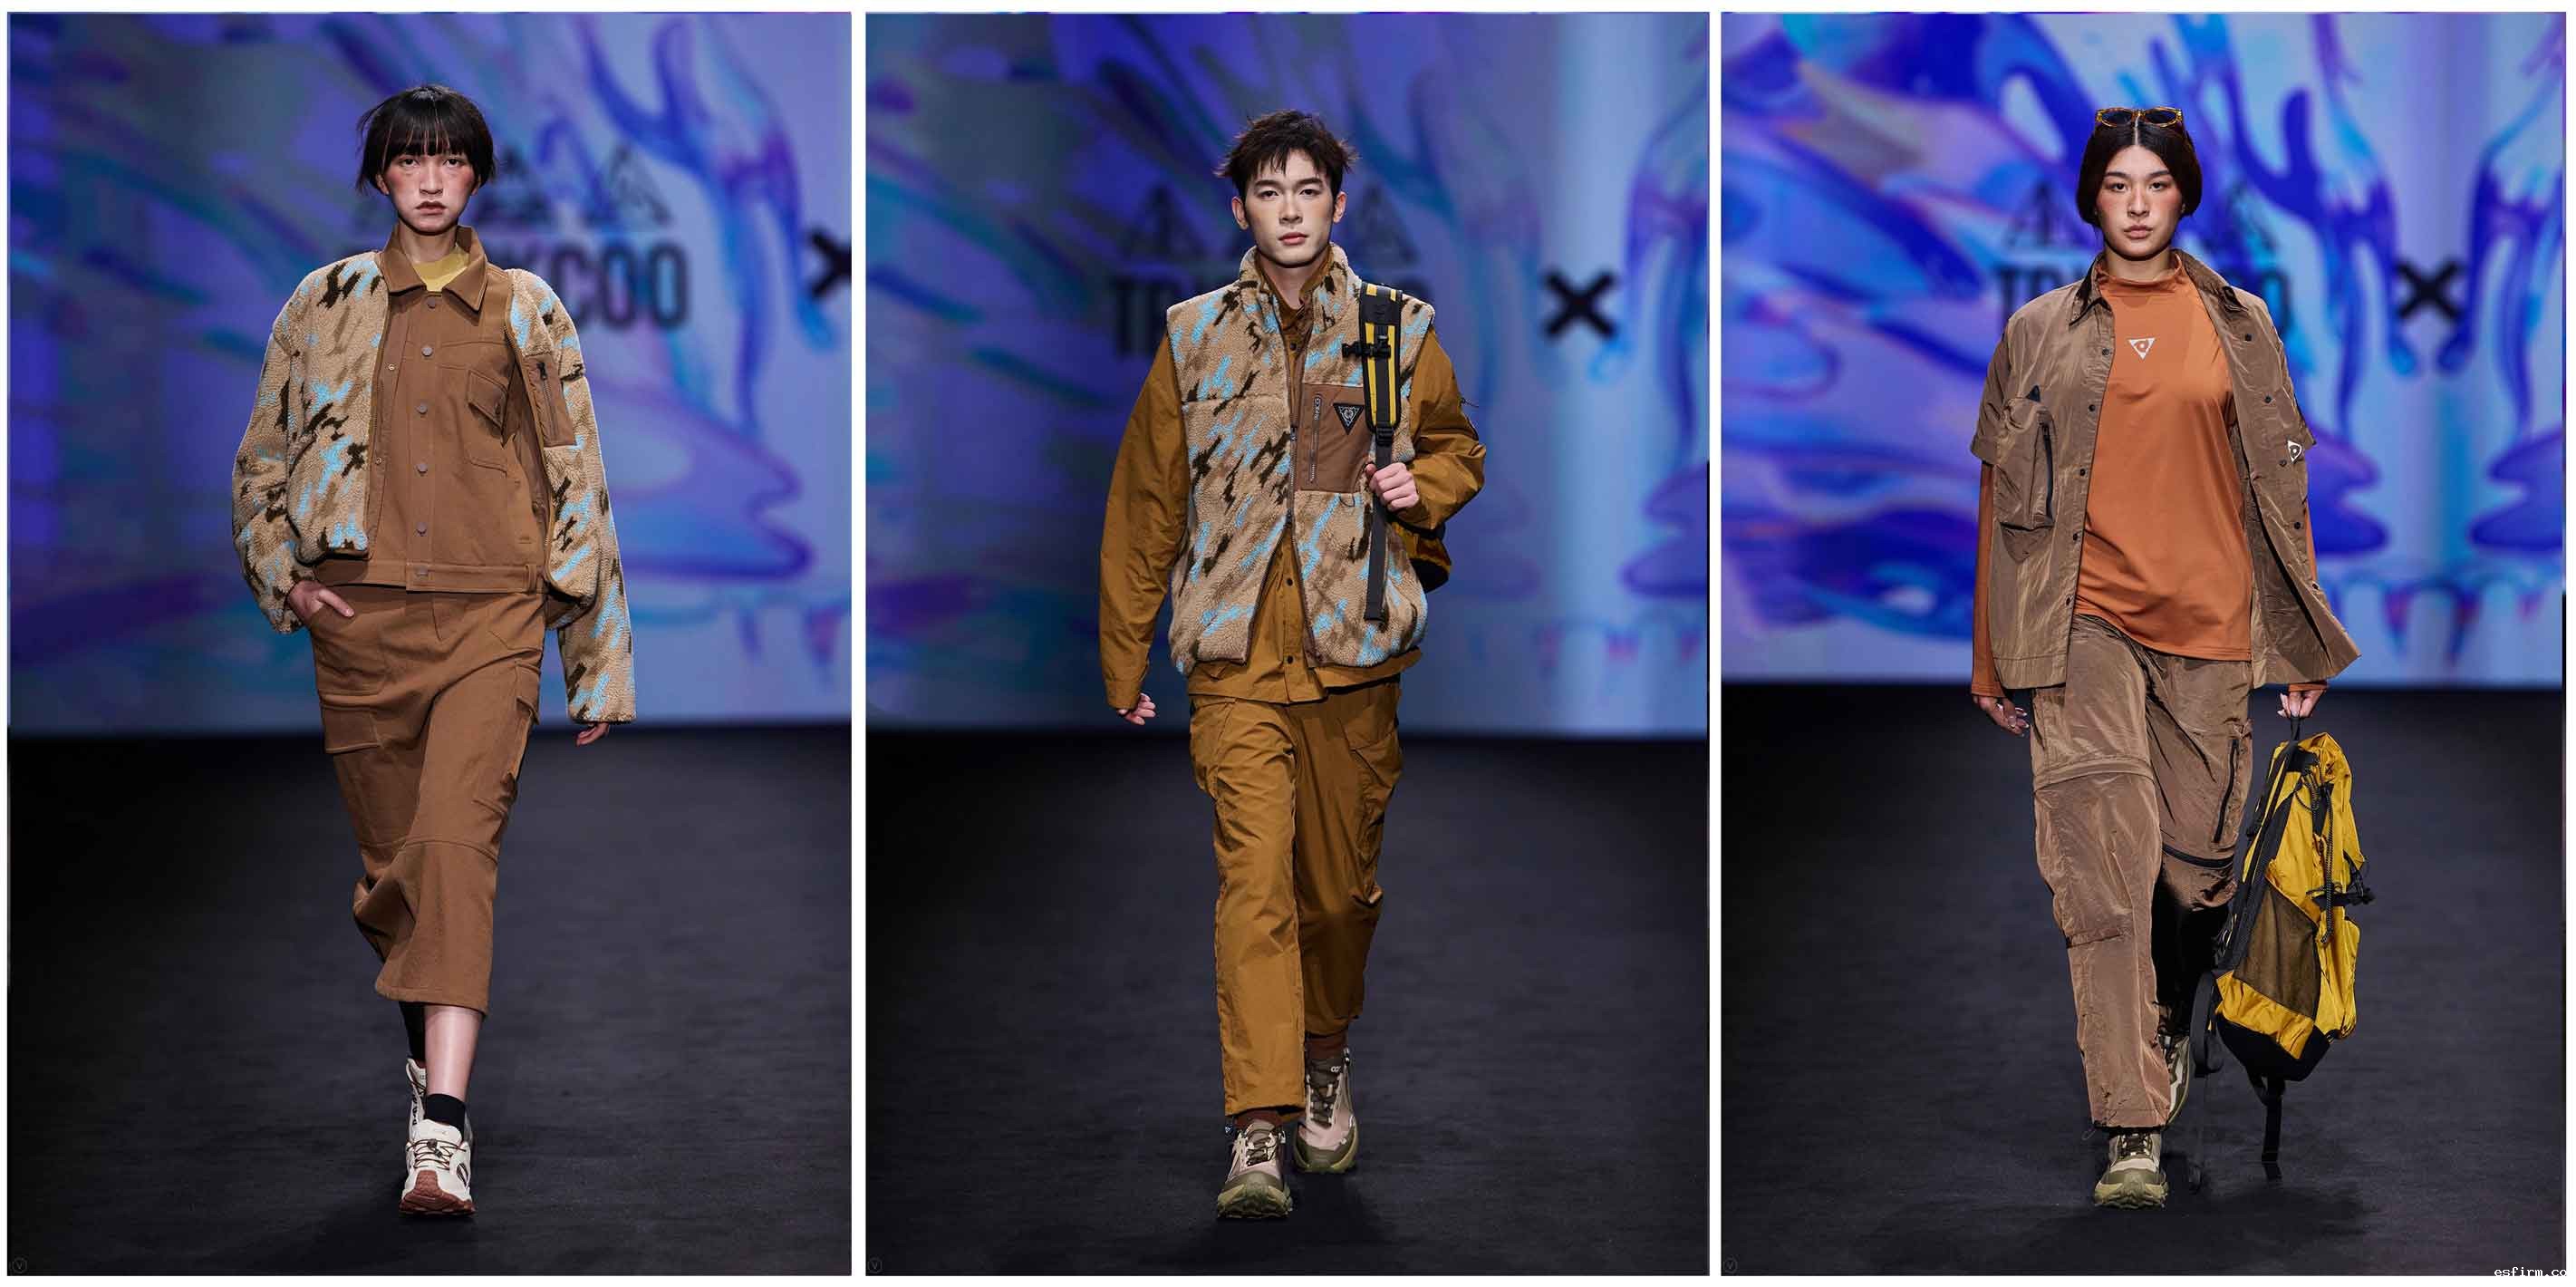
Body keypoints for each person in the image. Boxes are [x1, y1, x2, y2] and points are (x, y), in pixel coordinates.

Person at [227, 84, 637, 1216]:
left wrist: (593, 662)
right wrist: (288, 579)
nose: (429, 178)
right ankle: (429, 1067)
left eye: (450, 159)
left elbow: (576, 477)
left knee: (454, 850)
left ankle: (440, 1127)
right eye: (410, 159)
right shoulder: (322, 303)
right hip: (361, 628)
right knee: (396, 877)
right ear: (380, 177)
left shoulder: (528, 309)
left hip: (490, 623)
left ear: (476, 176)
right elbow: (263, 458)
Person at [1967, 105, 2360, 1209]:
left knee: (2194, 878)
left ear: (2182, 194)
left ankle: (2163, 1015)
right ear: (2089, 199)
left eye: (2154, 184)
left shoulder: (2239, 323)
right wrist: (1989, 655)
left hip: (2209, 628)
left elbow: (2280, 486)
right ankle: (2128, 1123)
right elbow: (1996, 497)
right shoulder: (2035, 330)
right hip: (2078, 623)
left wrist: (2298, 628)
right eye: (2115, 185)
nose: (2135, 204)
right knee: (2099, 871)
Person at [1098, 109, 1487, 1219]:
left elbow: (1457, 446)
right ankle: (1257, 1126)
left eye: (1306, 189)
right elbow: (1146, 499)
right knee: (1253, 886)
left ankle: (1325, 1055)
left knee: (1337, 896)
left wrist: (1424, 485)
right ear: (1241, 210)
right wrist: (1126, 651)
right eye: (1268, 192)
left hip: (1352, 658)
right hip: (1233, 657)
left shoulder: (1395, 329)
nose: (1289, 210)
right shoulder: (1192, 337)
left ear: (1335, 203)